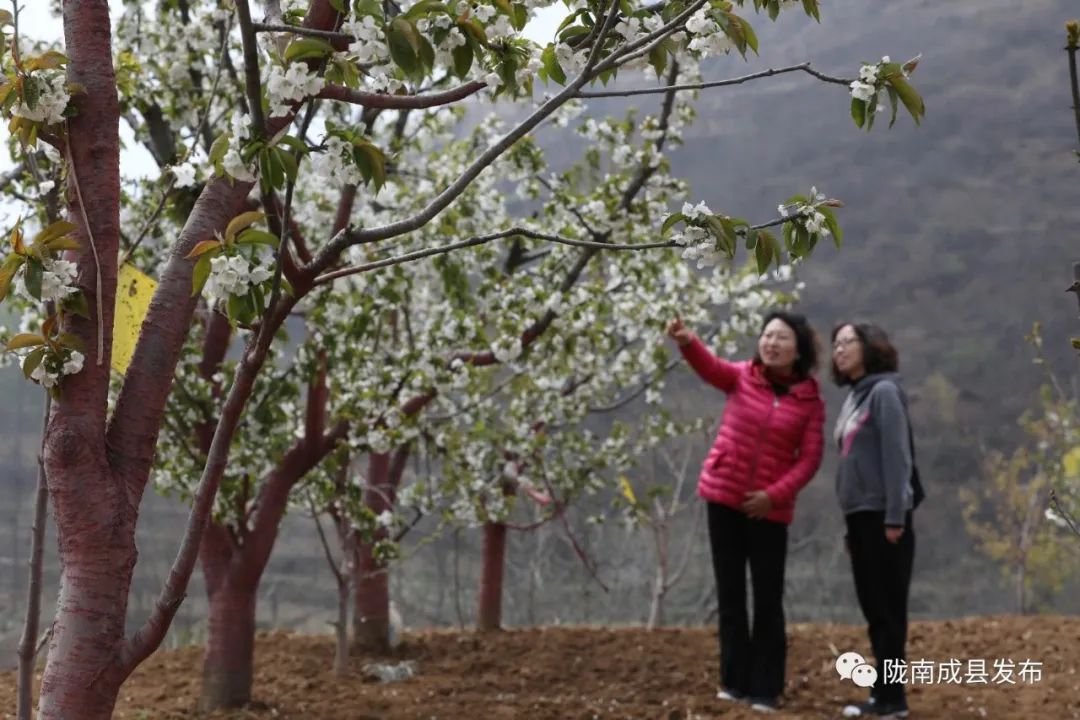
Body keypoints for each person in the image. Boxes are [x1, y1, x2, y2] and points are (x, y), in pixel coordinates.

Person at [667, 311, 825, 714]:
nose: (771, 343)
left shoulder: (810, 401)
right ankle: (733, 681)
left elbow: (809, 459)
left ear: (798, 350)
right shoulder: (741, 377)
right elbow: (710, 368)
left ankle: (766, 688)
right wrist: (687, 341)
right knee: (731, 594)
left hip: (769, 512)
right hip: (723, 500)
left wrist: (773, 495)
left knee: (768, 598)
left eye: (782, 338)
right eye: (767, 335)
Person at [831, 322, 916, 719]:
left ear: (871, 347)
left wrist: (896, 516)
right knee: (875, 612)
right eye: (836, 344)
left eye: (849, 342)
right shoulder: (854, 397)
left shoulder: (883, 392)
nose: (840, 349)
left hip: (885, 516)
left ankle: (893, 700)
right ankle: (882, 696)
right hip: (861, 518)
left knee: (888, 613)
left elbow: (898, 457)